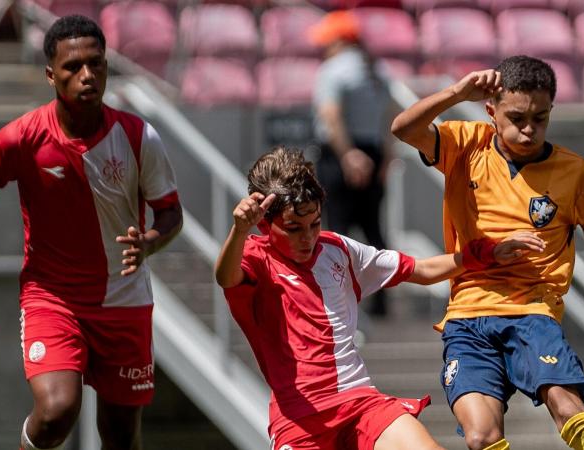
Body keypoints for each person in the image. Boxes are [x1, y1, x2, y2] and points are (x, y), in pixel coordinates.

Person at [0, 15, 183, 450]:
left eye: (96, 64)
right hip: (52, 298)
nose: (87, 75)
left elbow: (170, 214)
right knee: (57, 412)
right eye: (73, 67)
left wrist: (150, 242)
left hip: (124, 299)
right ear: (50, 75)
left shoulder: (139, 137)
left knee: (121, 436)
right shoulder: (21, 138)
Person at [214, 147, 544, 450]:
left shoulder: (338, 250)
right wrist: (239, 230)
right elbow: (225, 277)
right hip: (299, 420)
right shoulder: (254, 257)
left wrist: (487, 252)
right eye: (294, 228)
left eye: (314, 224)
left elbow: (421, 269)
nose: (308, 237)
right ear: (264, 224)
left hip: (360, 403)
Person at [390, 55, 584, 450]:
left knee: (568, 408)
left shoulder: (577, 173)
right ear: (492, 112)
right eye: (517, 118)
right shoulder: (465, 144)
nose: (529, 129)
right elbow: (403, 128)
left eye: (540, 118)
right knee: (480, 436)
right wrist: (457, 93)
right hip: (468, 316)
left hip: (532, 312)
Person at [308, 11, 396, 317]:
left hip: (340, 155)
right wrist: (386, 157)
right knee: (374, 229)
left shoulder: (333, 70)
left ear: (340, 41)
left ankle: (336, 301)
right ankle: (381, 302)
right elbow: (390, 118)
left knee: (337, 229)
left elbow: (331, 116)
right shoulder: (378, 70)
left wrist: (347, 154)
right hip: (374, 153)